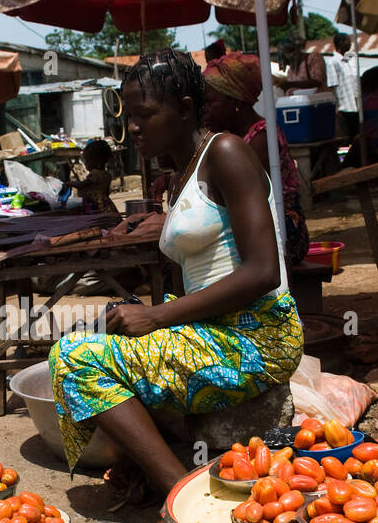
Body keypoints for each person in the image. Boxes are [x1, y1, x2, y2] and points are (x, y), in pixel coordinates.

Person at [49, 50, 304, 492]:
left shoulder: (227, 152)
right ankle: (142, 462)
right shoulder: (181, 172)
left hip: (258, 335)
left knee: (73, 359)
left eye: (145, 114)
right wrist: (146, 317)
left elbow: (263, 270)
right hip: (212, 327)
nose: (132, 128)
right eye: (128, 116)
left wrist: (158, 318)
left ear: (185, 109)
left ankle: (177, 495)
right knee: (94, 332)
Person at [203, 52, 310, 265]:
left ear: (235, 101)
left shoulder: (262, 138)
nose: (205, 110)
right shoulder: (234, 137)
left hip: (285, 233)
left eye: (211, 102)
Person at [326, 34, 360, 142]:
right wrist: (336, 108)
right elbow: (332, 86)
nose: (350, 44)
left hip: (355, 106)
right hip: (343, 108)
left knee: (357, 137)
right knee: (345, 139)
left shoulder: (350, 58)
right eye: (347, 41)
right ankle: (343, 159)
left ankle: (355, 157)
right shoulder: (332, 62)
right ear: (340, 43)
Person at [71, 139, 119, 215]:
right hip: (105, 205)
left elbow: (82, 185)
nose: (86, 164)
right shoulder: (106, 174)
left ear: (97, 161)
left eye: (87, 161)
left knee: (95, 223)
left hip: (96, 206)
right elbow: (106, 192)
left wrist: (69, 184)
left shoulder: (95, 174)